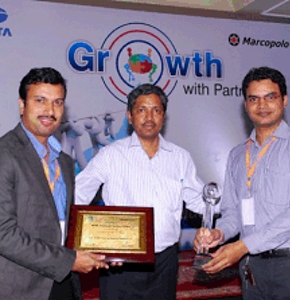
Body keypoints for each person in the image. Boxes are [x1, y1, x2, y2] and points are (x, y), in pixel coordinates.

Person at [75, 83, 205, 300]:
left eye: (156, 110)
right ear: (129, 115)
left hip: (165, 262)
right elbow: (79, 194)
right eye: (141, 110)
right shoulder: (110, 155)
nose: (149, 117)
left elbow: (198, 201)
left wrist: (226, 200)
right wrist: (82, 243)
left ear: (163, 115)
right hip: (120, 264)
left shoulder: (180, 157)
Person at [0, 67, 109, 300]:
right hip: (21, 288)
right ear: (22, 104)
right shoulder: (4, 154)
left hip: (64, 284)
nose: (50, 110)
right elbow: (4, 234)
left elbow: (64, 224)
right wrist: (69, 260)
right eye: (40, 100)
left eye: (58, 102)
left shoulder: (66, 162)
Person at [194, 66, 290, 299]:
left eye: (270, 97)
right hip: (252, 268)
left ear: (284, 100)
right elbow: (232, 212)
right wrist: (219, 233)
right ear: (245, 105)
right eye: (254, 99)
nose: (262, 106)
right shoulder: (237, 155)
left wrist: (243, 246)